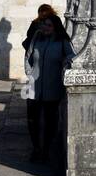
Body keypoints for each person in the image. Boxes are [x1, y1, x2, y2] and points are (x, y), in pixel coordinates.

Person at [21, 11, 74, 165]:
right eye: (44, 24)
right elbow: (28, 56)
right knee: (33, 120)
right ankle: (37, 149)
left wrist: (65, 65)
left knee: (51, 120)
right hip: (32, 86)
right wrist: (29, 72)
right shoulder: (37, 38)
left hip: (52, 85)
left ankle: (47, 149)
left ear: (55, 27)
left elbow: (71, 55)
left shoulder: (62, 40)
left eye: (49, 25)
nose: (45, 28)